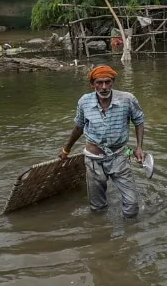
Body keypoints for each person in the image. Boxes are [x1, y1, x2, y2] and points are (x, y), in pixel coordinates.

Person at [58, 65, 146, 218]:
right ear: (92, 84)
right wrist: (66, 150)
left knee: (132, 204)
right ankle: (102, 233)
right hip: (93, 159)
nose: (104, 87)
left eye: (108, 82)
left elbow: (139, 121)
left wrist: (139, 147)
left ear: (113, 82)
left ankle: (130, 236)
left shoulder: (127, 99)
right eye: (99, 82)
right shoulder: (84, 102)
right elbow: (79, 126)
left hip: (120, 155)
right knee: (97, 207)